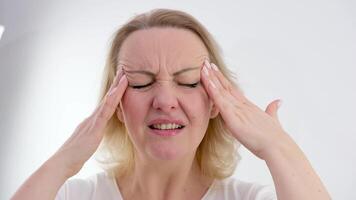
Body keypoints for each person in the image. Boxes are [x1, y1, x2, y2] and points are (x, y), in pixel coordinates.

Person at [11, 8, 331, 200]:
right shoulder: (75, 196)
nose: (164, 101)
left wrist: (277, 146)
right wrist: (65, 160)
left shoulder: (249, 198)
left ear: (216, 101)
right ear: (117, 105)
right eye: (140, 82)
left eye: (189, 81)